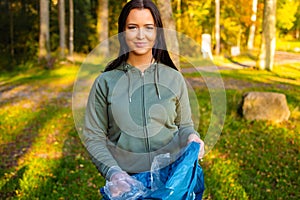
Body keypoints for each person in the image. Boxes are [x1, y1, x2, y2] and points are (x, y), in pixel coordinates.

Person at [83, 0, 205, 196]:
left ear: (157, 32)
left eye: (148, 27)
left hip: (171, 180)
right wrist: (114, 174)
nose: (141, 35)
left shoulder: (174, 78)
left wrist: (192, 136)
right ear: (122, 32)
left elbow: (184, 126)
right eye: (132, 27)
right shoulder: (105, 82)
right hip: (127, 181)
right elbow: (94, 137)